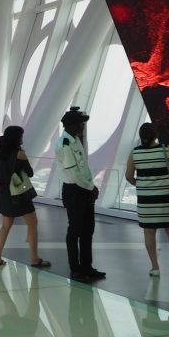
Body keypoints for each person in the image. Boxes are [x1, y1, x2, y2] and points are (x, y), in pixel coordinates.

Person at [125, 123, 169, 277]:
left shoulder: (135, 153)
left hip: (146, 201)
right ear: (155, 135)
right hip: (166, 198)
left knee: (149, 232)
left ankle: (155, 267)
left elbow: (129, 176)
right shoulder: (166, 149)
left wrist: (140, 184)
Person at [55, 107, 104, 282]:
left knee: (87, 229)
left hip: (84, 189)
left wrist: (91, 187)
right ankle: (75, 269)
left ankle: (86, 266)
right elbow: (74, 174)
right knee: (75, 230)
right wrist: (91, 188)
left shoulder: (75, 141)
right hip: (75, 191)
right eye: (80, 123)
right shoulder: (65, 145)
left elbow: (84, 168)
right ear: (71, 125)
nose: (83, 126)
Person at [0, 125, 50, 269]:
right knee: (32, 224)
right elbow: (29, 173)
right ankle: (34, 259)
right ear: (16, 138)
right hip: (19, 194)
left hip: (5, 195)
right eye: (21, 136)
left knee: (5, 227)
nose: (22, 138)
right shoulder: (20, 154)